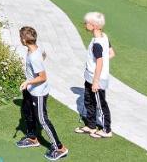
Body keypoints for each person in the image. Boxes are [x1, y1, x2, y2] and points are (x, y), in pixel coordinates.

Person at [17, 26, 68, 159]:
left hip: (38, 92)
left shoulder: (34, 57)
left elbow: (43, 77)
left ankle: (60, 148)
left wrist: (28, 82)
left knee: (42, 120)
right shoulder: (34, 49)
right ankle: (33, 137)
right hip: (31, 90)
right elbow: (43, 54)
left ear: (23, 40)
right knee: (27, 111)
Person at [77, 11, 114, 139]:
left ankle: (106, 129)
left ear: (94, 26)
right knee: (89, 101)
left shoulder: (97, 43)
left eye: (87, 23)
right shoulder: (103, 37)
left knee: (100, 103)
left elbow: (100, 62)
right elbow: (111, 53)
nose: (85, 24)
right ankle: (91, 125)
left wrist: (96, 81)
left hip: (96, 79)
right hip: (90, 76)